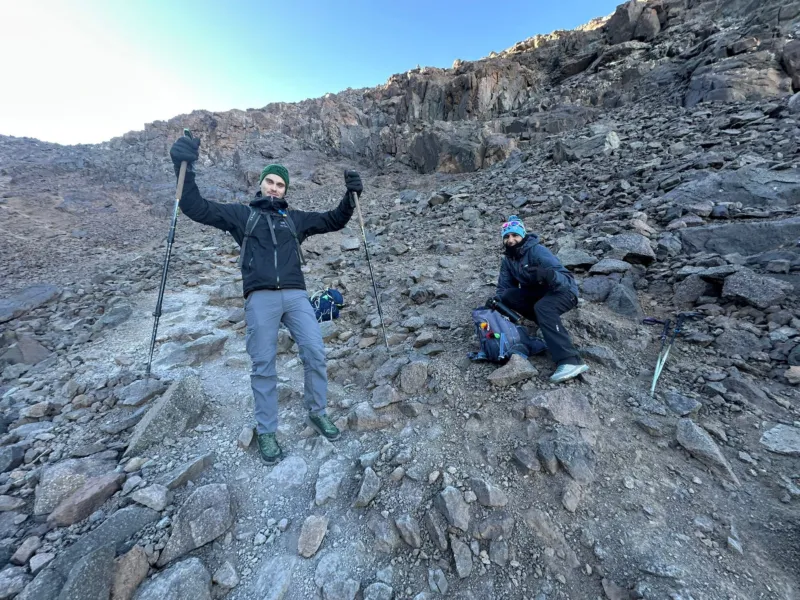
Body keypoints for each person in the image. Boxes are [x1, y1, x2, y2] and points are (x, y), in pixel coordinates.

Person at [169, 134, 363, 464]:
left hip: (296, 295)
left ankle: (317, 411)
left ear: (285, 190)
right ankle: (267, 430)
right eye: (269, 182)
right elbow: (195, 207)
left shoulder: (295, 219)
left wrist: (351, 196)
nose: (274, 188)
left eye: (280, 185)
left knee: (315, 351)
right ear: (261, 185)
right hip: (260, 297)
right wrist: (182, 166)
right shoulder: (242, 215)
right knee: (264, 364)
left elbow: (334, 219)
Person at [492, 215, 589, 383]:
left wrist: (548, 275)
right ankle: (547, 325)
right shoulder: (509, 260)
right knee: (508, 297)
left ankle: (569, 360)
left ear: (522, 235)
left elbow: (566, 280)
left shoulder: (537, 251)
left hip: (564, 292)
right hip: (541, 295)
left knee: (544, 307)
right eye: (506, 236)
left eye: (515, 235)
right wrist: (496, 303)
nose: (511, 239)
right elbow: (504, 288)